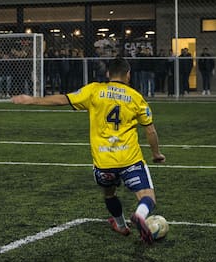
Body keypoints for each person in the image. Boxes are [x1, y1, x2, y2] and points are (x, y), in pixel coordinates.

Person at [11, 57, 166, 244]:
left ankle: (121, 225)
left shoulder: (94, 90)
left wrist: (32, 100)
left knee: (109, 193)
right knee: (147, 196)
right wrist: (156, 154)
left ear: (108, 74)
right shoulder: (135, 97)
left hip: (103, 161)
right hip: (129, 158)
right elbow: (150, 130)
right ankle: (140, 215)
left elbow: (64, 99)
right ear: (128, 75)